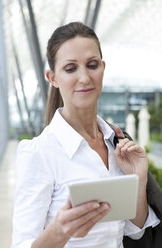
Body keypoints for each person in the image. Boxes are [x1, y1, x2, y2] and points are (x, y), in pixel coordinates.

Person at [11, 22, 161, 248]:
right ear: (52, 78)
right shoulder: (39, 153)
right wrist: (58, 232)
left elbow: (136, 233)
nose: (84, 77)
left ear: (103, 67)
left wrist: (138, 181)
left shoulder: (117, 144)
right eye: (70, 68)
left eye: (92, 65)